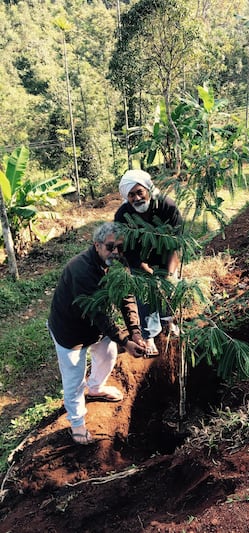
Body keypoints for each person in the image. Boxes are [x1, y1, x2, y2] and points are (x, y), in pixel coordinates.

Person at [47, 222, 146, 445]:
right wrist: (124, 341)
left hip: (95, 329)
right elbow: (97, 313)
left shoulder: (119, 262)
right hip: (70, 331)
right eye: (110, 247)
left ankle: (96, 388)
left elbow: (126, 296)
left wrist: (136, 333)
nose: (116, 252)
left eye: (120, 247)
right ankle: (77, 423)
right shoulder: (80, 269)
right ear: (97, 245)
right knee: (74, 379)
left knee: (108, 355)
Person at [114, 169, 182, 355]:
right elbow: (126, 249)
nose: (136, 198)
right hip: (139, 258)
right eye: (131, 195)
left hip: (165, 253)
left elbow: (175, 243)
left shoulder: (166, 207)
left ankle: (168, 321)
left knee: (169, 287)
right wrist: (144, 270)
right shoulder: (123, 215)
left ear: (149, 190)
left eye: (139, 192)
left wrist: (168, 274)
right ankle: (149, 335)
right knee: (145, 292)